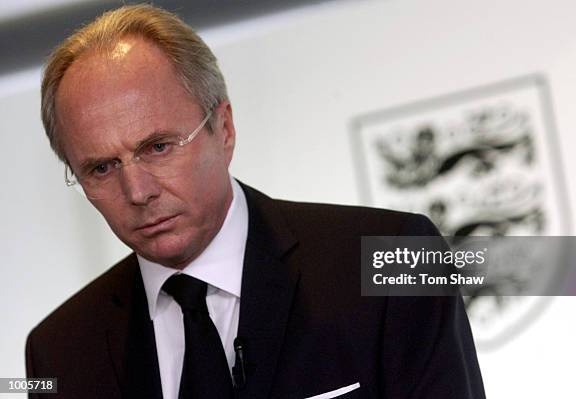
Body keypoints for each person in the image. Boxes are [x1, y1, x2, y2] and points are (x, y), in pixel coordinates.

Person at [26, 4, 486, 399]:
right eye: (102, 167)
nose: (138, 191)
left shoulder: (396, 257)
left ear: (223, 128)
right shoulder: (59, 351)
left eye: (158, 147)